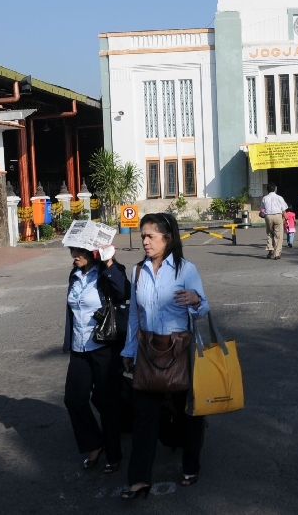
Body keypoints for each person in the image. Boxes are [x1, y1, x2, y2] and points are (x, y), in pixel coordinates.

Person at [120, 213, 210, 500]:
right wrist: (128, 351)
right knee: (143, 418)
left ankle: (190, 466)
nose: (145, 241)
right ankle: (138, 481)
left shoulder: (185, 269)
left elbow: (203, 308)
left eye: (150, 236)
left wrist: (196, 301)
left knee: (189, 413)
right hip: (147, 351)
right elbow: (135, 315)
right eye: (143, 236)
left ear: (167, 239)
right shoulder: (137, 272)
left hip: (181, 350)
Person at [63, 243, 130, 475]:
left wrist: (109, 262)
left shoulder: (108, 270)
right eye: (72, 252)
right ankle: (94, 444)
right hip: (79, 347)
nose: (74, 257)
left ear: (92, 253)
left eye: (79, 252)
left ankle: (114, 454)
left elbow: (124, 292)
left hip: (104, 347)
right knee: (74, 400)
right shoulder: (75, 274)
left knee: (107, 402)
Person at [261, 183, 287, 259]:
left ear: (267, 190)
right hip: (278, 216)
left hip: (268, 216)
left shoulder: (264, 198)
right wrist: (285, 219)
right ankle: (277, 254)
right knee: (278, 235)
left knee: (269, 233)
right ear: (275, 189)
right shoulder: (279, 198)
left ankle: (270, 249)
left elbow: (262, 209)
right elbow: (284, 210)